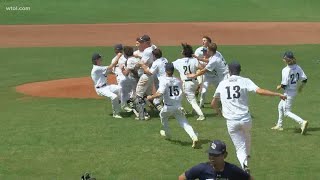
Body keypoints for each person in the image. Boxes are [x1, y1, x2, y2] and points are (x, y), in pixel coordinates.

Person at [211, 61, 287, 172]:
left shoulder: (222, 83)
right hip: (246, 119)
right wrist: (277, 94)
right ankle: (247, 157)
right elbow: (260, 91)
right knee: (247, 135)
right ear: (240, 71)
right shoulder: (245, 81)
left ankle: (244, 164)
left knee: (239, 147)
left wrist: (219, 112)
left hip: (231, 121)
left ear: (229, 71)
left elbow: (213, 103)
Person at [147, 63, 198, 148]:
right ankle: (194, 136)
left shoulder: (163, 80)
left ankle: (168, 134)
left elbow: (160, 93)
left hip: (168, 107)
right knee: (184, 123)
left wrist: (151, 96)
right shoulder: (178, 80)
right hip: (178, 106)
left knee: (163, 118)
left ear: (166, 70)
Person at [271, 51, 309, 134]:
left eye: (284, 58)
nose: (283, 59)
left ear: (286, 59)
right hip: (293, 91)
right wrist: (300, 88)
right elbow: (305, 79)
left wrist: (279, 86)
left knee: (287, 112)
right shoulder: (298, 67)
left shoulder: (285, 70)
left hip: (288, 93)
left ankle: (302, 122)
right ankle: (279, 125)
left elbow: (284, 84)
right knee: (280, 106)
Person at [178, 140, 253, 180]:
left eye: (216, 155)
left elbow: (249, 178)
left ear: (225, 155)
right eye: (210, 154)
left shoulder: (232, 170)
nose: (212, 158)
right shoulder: (201, 169)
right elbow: (182, 178)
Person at [188, 43, 229, 108]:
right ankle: (223, 105)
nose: (206, 51)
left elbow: (204, 70)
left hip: (224, 77)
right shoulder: (217, 53)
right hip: (223, 75)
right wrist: (199, 58)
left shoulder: (214, 60)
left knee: (223, 93)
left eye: (207, 49)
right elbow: (208, 60)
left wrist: (194, 75)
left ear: (211, 51)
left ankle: (225, 107)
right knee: (223, 93)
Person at [173, 43, 205, 121]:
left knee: (191, 100)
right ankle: (182, 109)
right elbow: (203, 68)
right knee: (179, 96)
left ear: (184, 53)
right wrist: (196, 74)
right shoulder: (194, 60)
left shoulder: (179, 61)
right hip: (194, 82)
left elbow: (169, 66)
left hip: (186, 84)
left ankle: (201, 115)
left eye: (182, 50)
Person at [90, 53, 122, 118]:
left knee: (120, 88)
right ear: (96, 60)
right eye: (100, 58)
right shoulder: (96, 68)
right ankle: (115, 114)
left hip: (106, 86)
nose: (101, 59)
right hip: (101, 89)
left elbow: (108, 71)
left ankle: (119, 101)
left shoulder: (99, 68)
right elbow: (111, 66)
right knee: (114, 97)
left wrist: (116, 73)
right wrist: (118, 56)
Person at [134, 35, 157, 120]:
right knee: (148, 95)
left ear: (147, 42)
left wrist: (136, 66)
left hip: (146, 75)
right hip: (151, 75)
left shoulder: (147, 51)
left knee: (138, 96)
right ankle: (159, 108)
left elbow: (141, 63)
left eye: (142, 42)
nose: (141, 43)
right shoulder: (154, 47)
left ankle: (142, 115)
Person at [110, 44, 133, 112]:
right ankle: (124, 105)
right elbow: (113, 69)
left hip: (126, 76)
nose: (117, 51)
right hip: (120, 77)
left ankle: (128, 102)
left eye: (118, 50)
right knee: (122, 91)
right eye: (117, 50)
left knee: (129, 91)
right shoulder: (115, 59)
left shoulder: (125, 58)